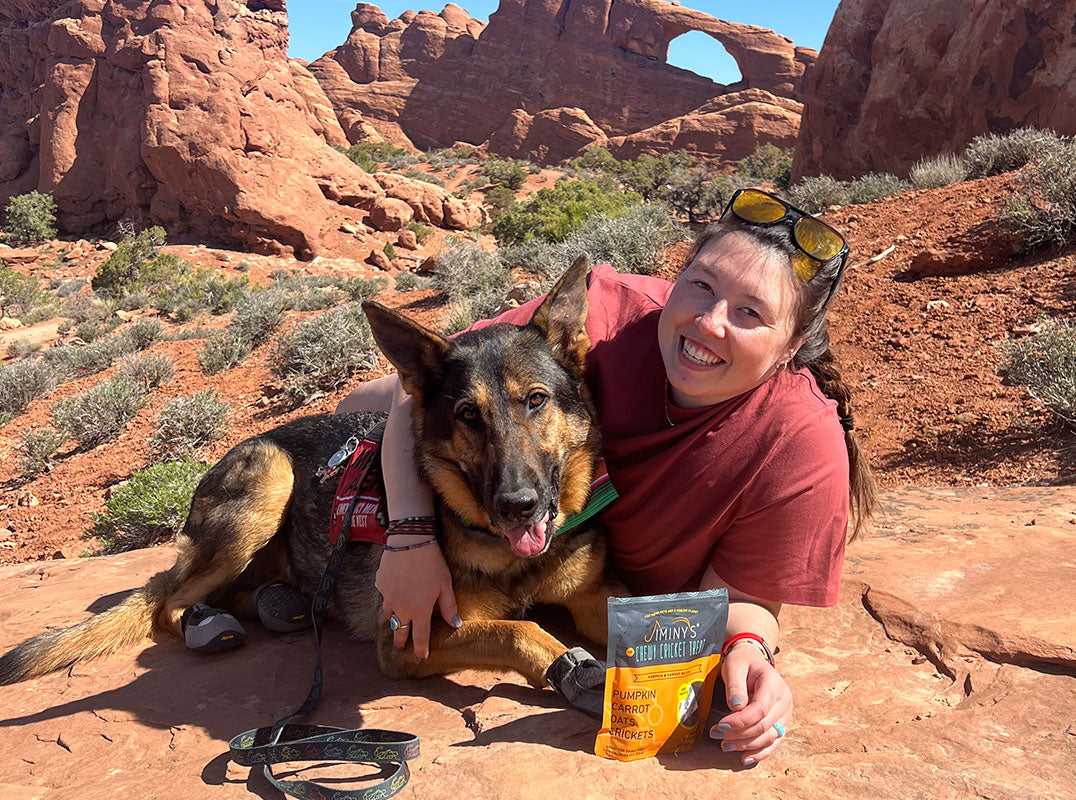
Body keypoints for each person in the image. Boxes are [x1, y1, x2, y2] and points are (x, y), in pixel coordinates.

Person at [337, 188, 876, 766]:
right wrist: (412, 537)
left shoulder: (801, 445)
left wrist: (749, 651)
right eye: (701, 286)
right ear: (678, 278)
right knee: (362, 408)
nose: (709, 323)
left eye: (750, 312)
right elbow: (427, 385)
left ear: (792, 344)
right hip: (440, 471)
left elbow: (744, 598)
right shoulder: (610, 314)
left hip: (574, 565)